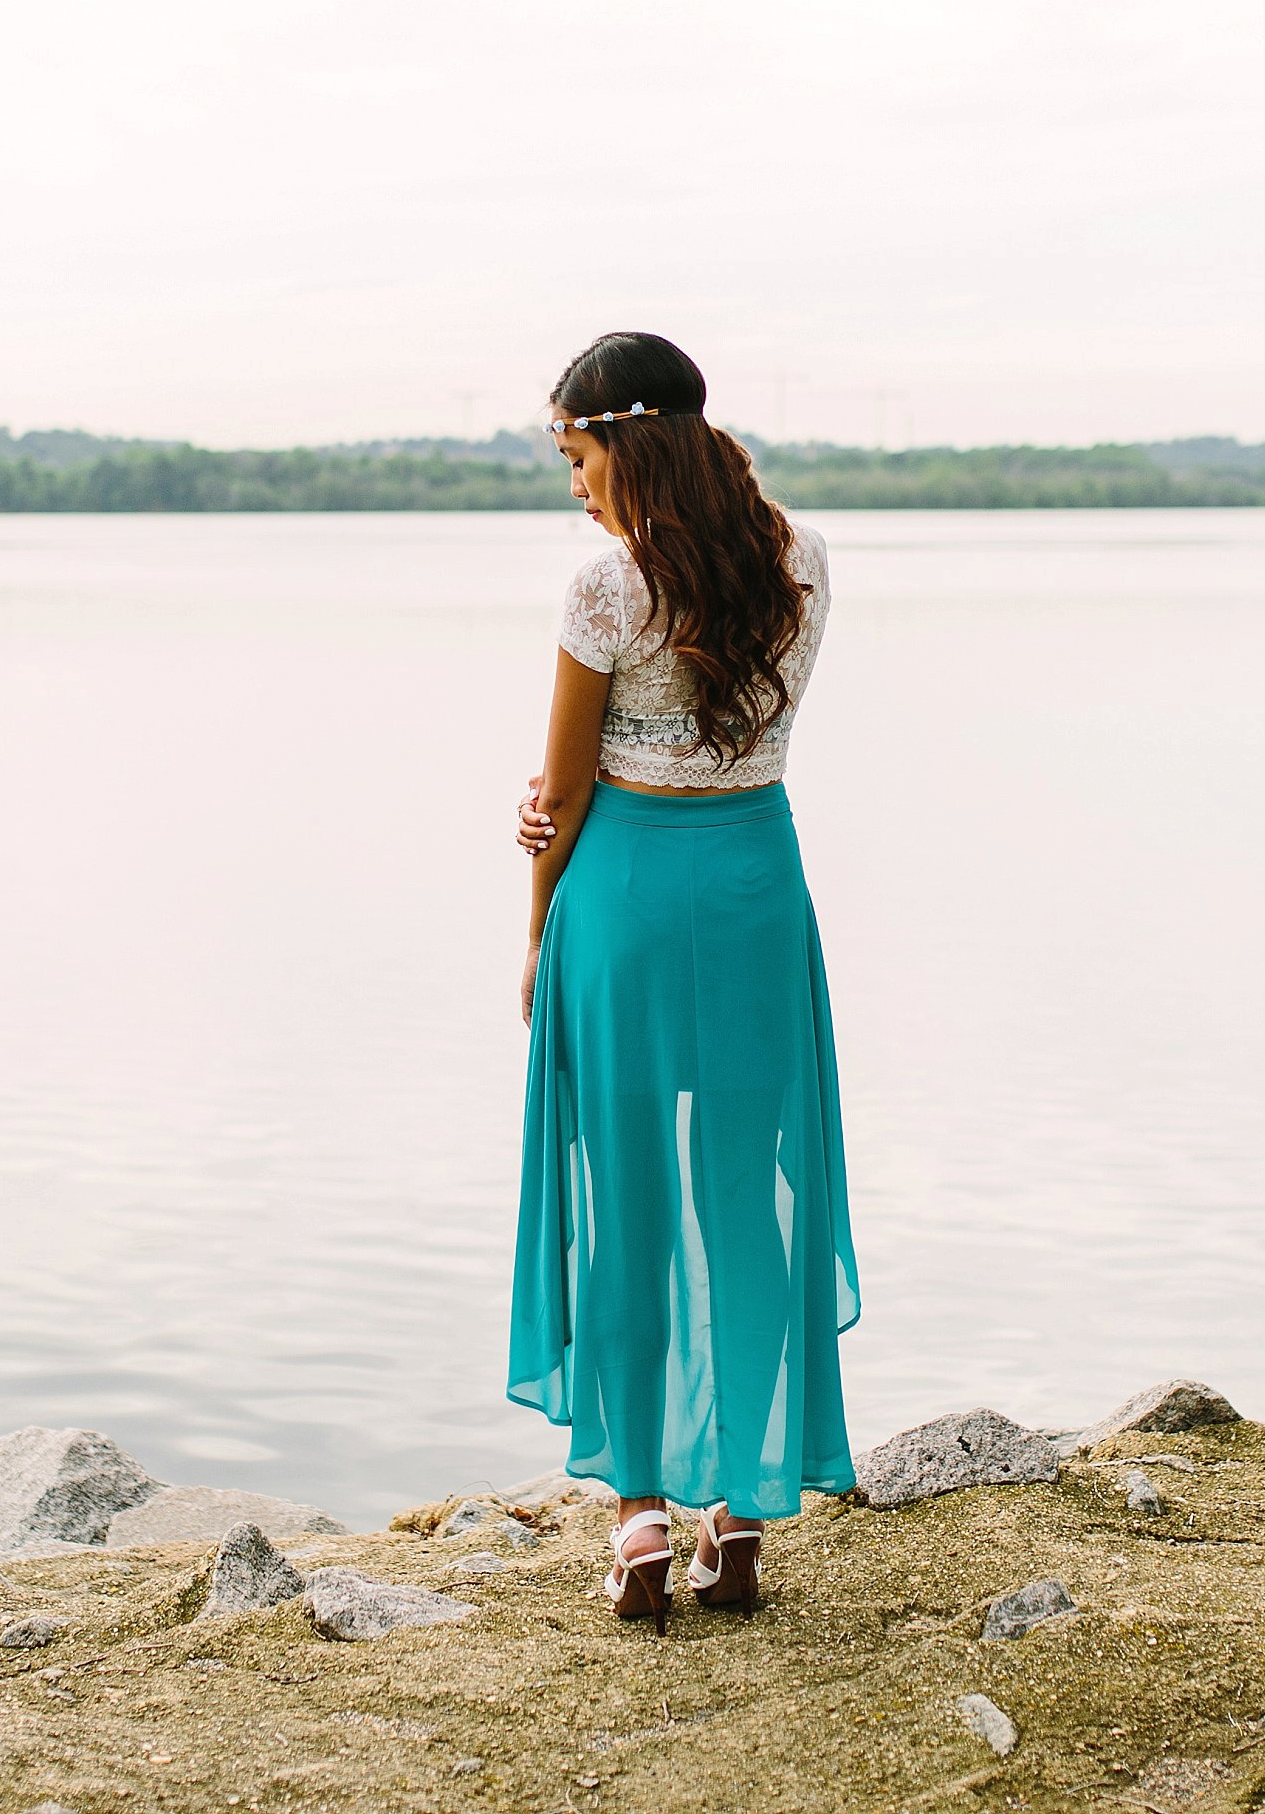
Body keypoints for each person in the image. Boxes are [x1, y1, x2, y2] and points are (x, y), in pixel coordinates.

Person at [505, 330, 859, 1628]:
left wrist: (537, 929)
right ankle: (742, 1514)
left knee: (627, 1198)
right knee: (744, 1192)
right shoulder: (802, 560)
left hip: (627, 903)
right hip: (757, 886)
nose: (575, 481)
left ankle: (640, 1520)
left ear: (626, 439)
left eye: (577, 452)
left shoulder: (605, 589)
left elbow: (566, 789)